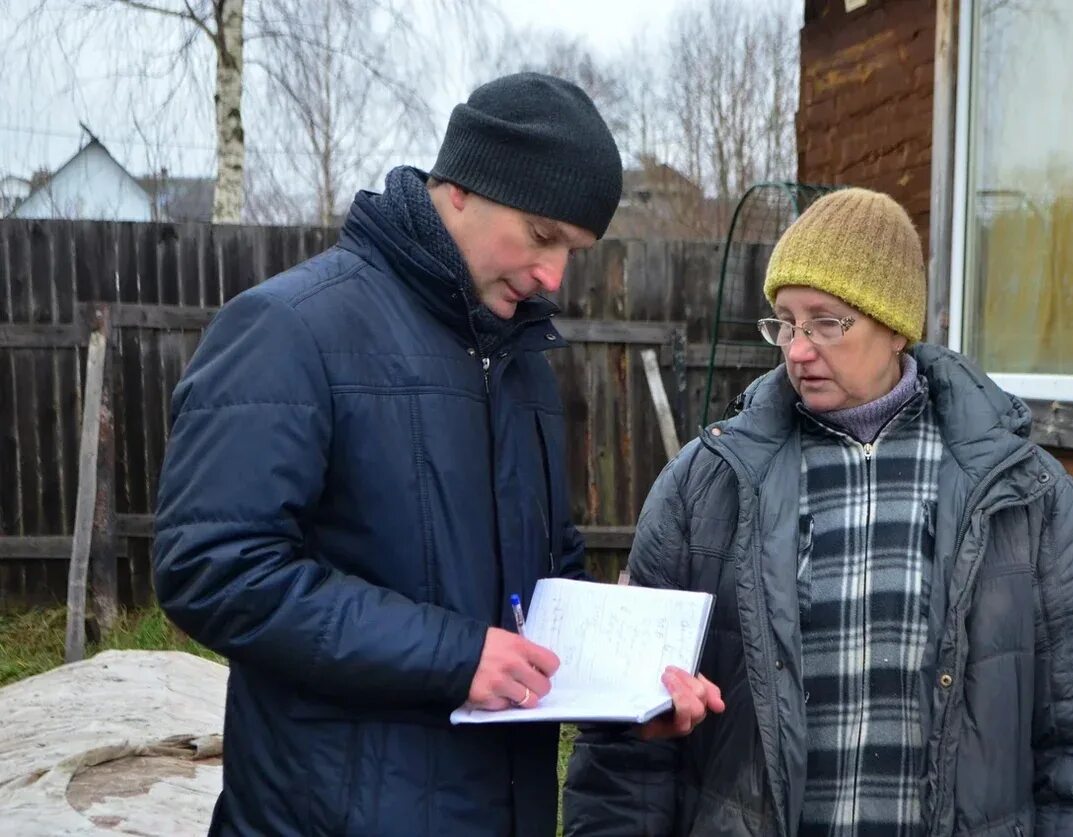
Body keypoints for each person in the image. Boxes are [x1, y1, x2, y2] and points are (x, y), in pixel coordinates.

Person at [153, 72, 719, 837]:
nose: (553, 275)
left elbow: (542, 580)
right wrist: (453, 656)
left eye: (574, 250)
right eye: (541, 234)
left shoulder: (520, 361)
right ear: (459, 189)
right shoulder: (291, 329)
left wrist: (624, 697)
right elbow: (213, 567)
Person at [563, 187, 1073, 836]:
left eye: (825, 322)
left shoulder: (1022, 496)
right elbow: (625, 750)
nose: (796, 349)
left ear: (894, 324)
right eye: (784, 322)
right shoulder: (705, 489)